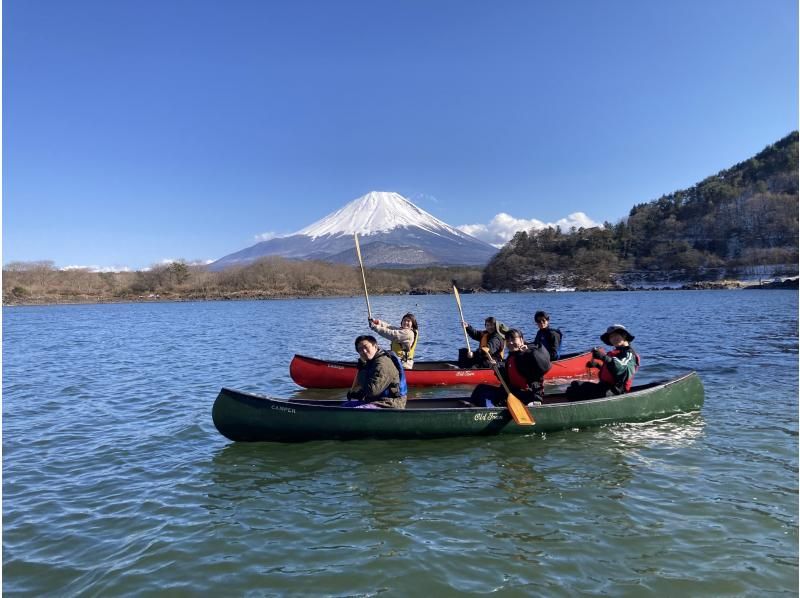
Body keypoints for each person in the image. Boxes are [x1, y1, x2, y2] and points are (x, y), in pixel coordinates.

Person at [470, 328, 552, 407]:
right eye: (508, 340)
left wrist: (529, 351)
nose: (510, 343)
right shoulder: (510, 358)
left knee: (498, 402)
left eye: (513, 339)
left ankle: (489, 411)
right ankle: (472, 408)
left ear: (521, 340)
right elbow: (506, 380)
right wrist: (496, 368)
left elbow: (545, 365)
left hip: (529, 396)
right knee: (480, 389)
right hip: (513, 392)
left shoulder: (530, 354)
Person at [566, 324, 639, 400]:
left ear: (624, 336)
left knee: (575, 392)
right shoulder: (616, 352)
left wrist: (603, 357)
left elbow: (622, 369)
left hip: (616, 391)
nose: (613, 339)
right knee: (575, 385)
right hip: (604, 387)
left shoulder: (629, 354)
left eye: (616, 335)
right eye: (611, 337)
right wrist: (597, 365)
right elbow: (612, 371)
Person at [343, 335, 407, 409]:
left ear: (375, 346)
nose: (364, 351)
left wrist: (362, 369)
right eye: (360, 349)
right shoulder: (371, 362)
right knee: (345, 405)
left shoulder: (383, 363)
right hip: (376, 400)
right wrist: (356, 394)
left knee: (357, 410)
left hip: (390, 403)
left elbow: (372, 391)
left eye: (366, 347)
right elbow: (369, 386)